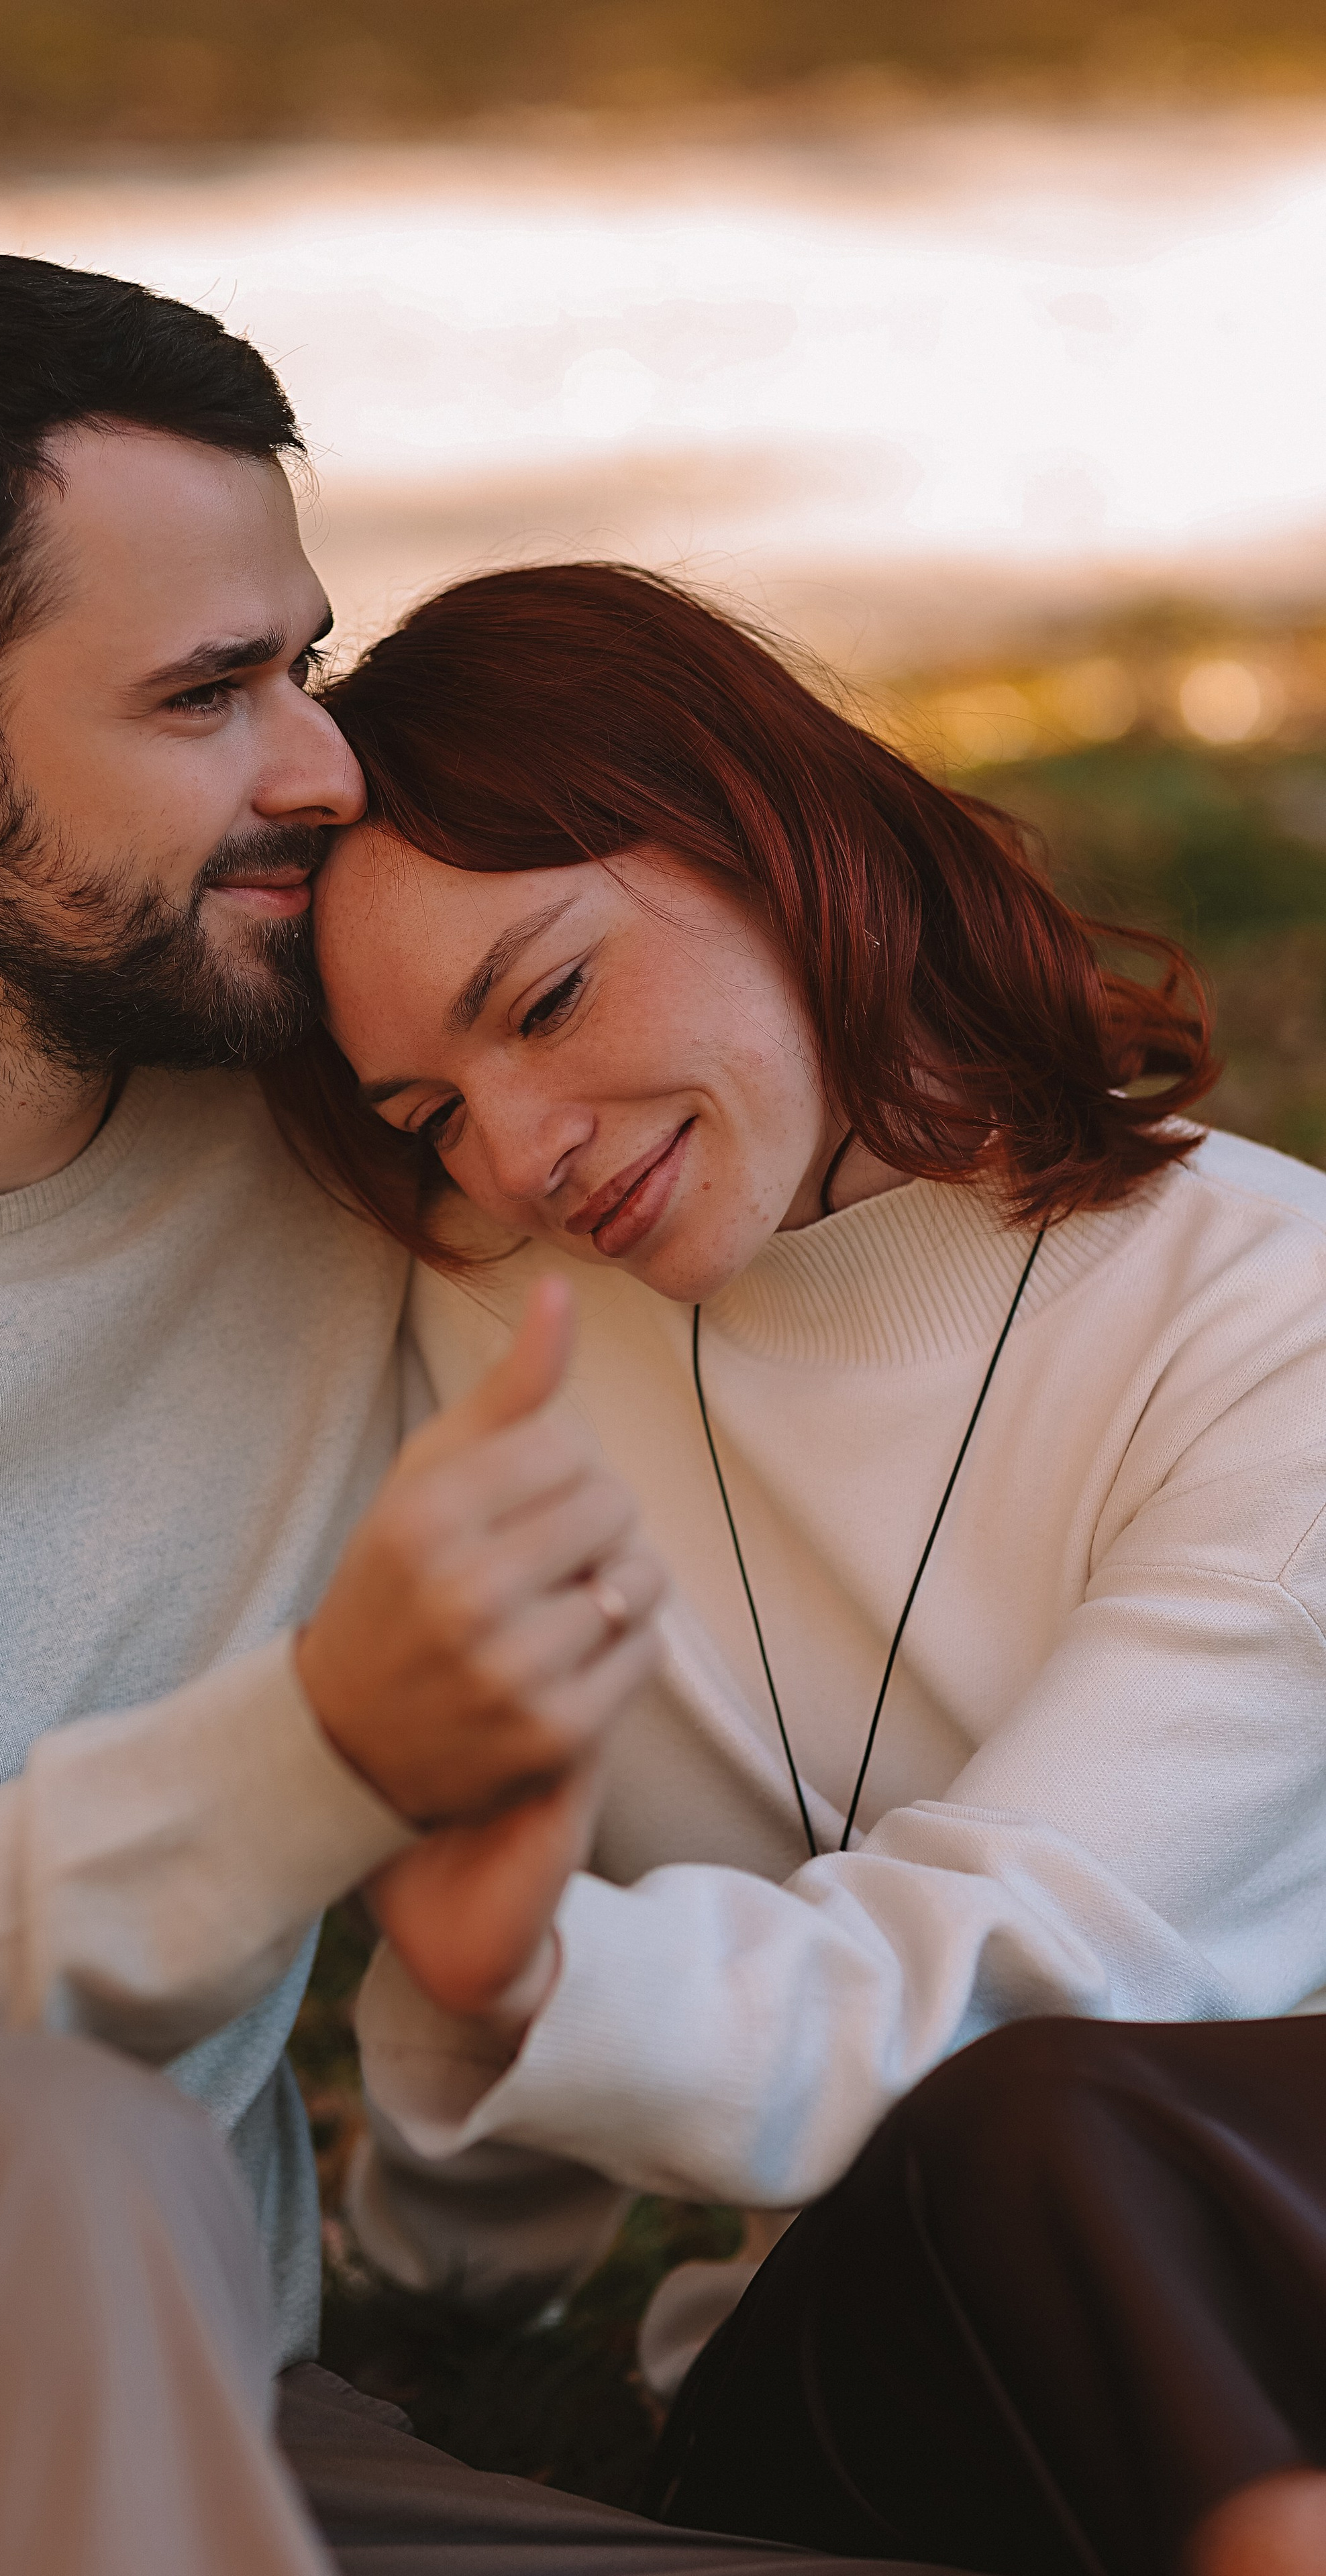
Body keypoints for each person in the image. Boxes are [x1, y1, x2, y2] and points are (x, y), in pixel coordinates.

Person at [0, 254, 903, 2576]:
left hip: (180, 2418)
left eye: (303, 662)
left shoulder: (373, 1140)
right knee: (38, 2143)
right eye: (210, 692)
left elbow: (886, 1194)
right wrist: (313, 1753)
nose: (321, 764)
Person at [269, 561, 1326, 2576]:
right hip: (885, 2387)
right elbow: (492, 1865)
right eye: (429, 1110)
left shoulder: (1275, 1332)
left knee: (1036, 2112)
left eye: (550, 999)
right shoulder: (499, 1317)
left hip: (1265, 2259)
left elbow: (1019, 1971)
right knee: (1009, 2146)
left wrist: (536, 1978)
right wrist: (431, 2280)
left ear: (778, 835)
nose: (517, 1154)